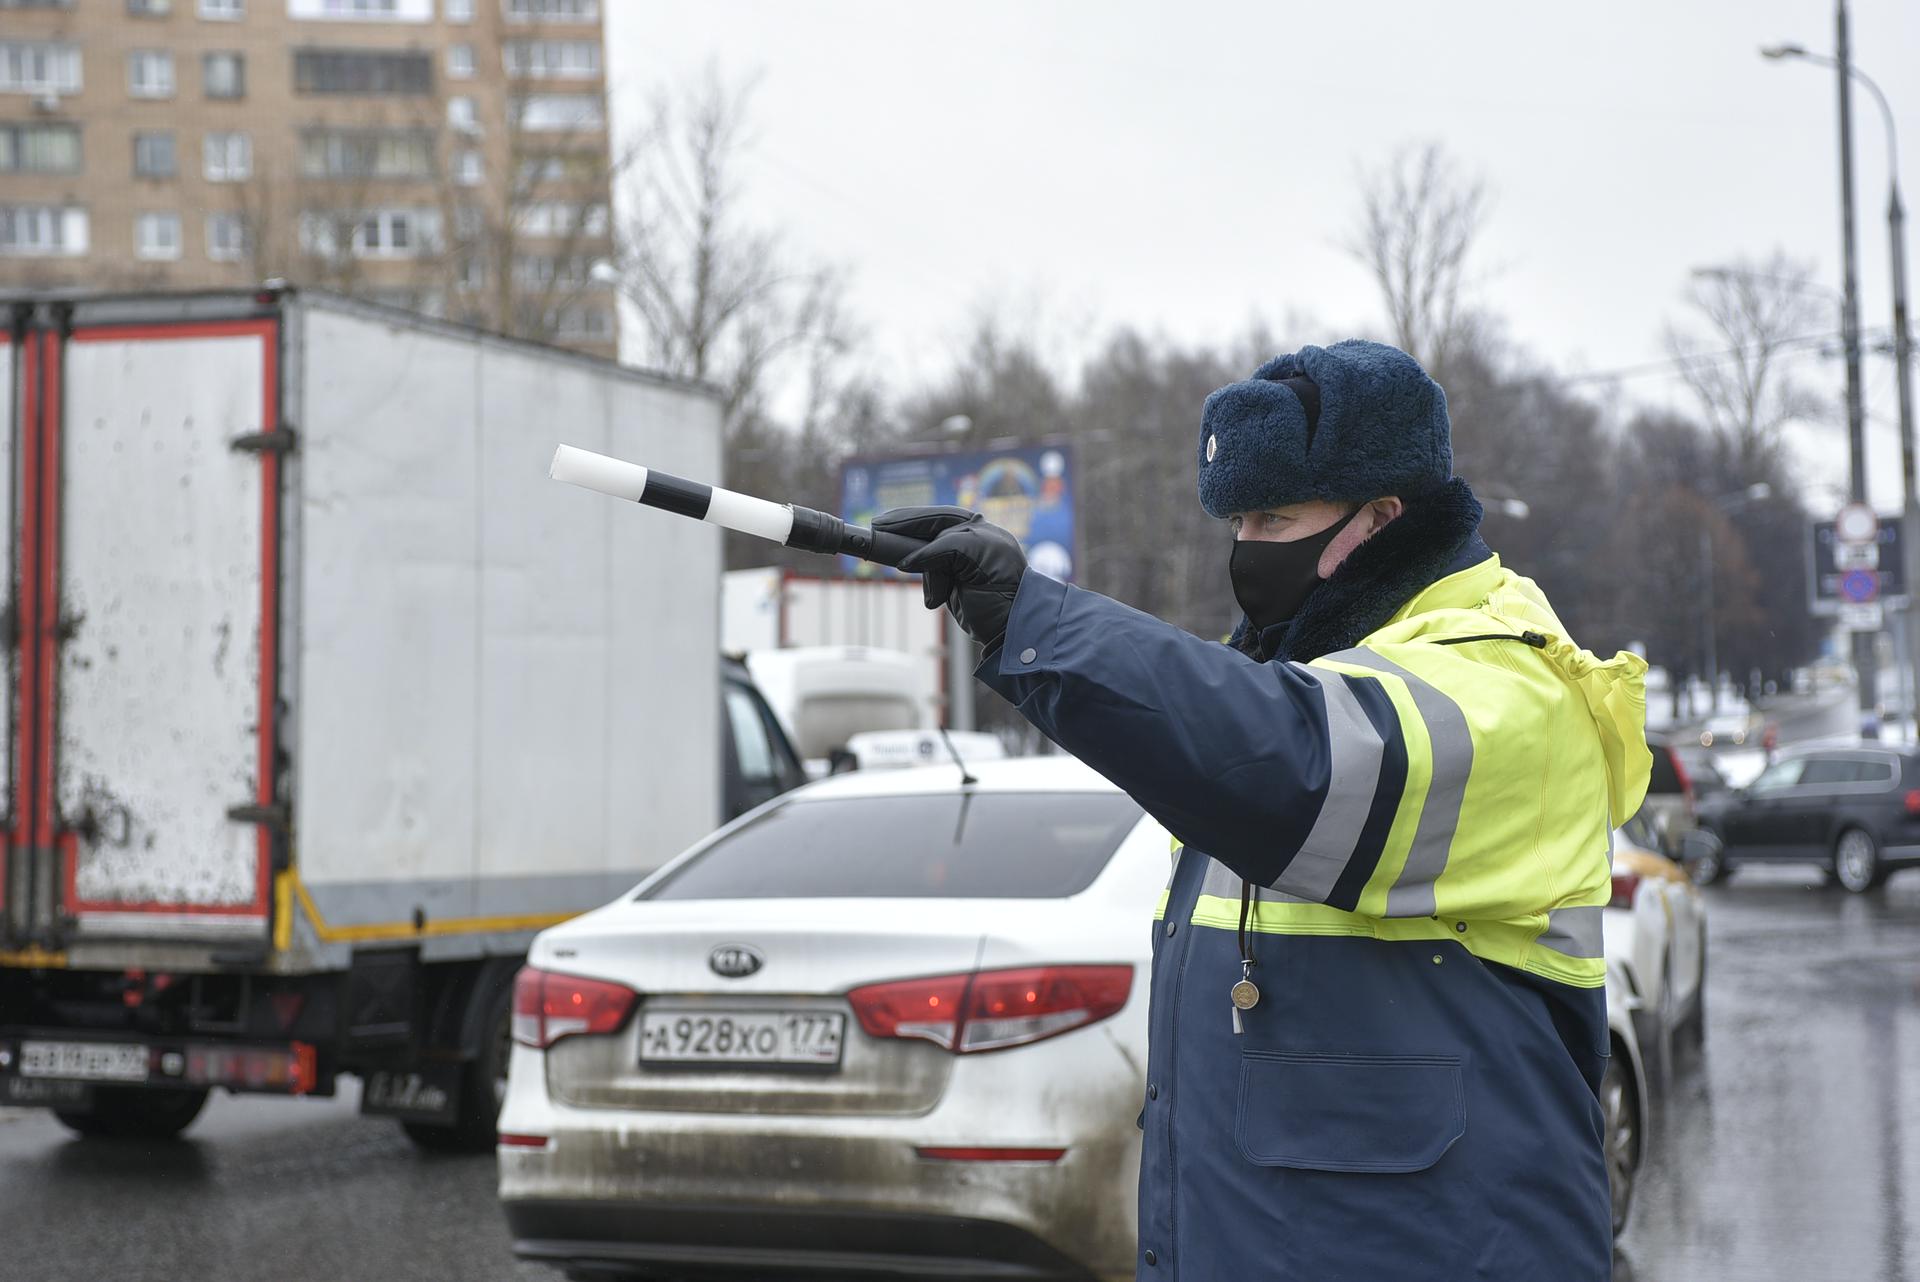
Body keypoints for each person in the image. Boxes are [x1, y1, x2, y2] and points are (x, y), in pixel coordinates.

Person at [874, 339, 1651, 1282]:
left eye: (1275, 515)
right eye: (1237, 517)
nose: (1247, 545)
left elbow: (1293, 767)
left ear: (1384, 517)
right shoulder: (1305, 671)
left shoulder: (1508, 681)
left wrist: (1031, 619)